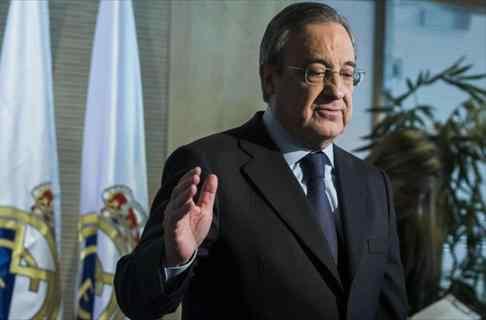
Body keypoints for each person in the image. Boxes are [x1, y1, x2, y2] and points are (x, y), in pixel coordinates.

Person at [114, 2, 408, 319]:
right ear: (270, 79)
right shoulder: (209, 166)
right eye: (316, 73)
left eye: (347, 73)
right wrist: (173, 258)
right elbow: (136, 301)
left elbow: (389, 309)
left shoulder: (372, 183)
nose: (336, 90)